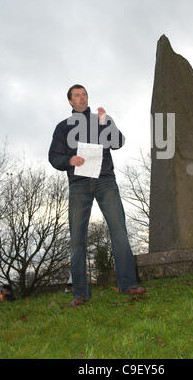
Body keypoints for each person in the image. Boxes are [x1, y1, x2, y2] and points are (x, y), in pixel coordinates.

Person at [48, 84, 145, 307]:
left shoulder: (100, 120)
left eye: (84, 95)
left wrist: (106, 123)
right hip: (79, 184)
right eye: (77, 96)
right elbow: (54, 156)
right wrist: (68, 160)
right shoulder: (62, 128)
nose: (82, 99)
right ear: (70, 102)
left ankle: (129, 285)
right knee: (77, 238)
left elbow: (119, 142)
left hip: (105, 180)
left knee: (119, 231)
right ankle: (80, 293)